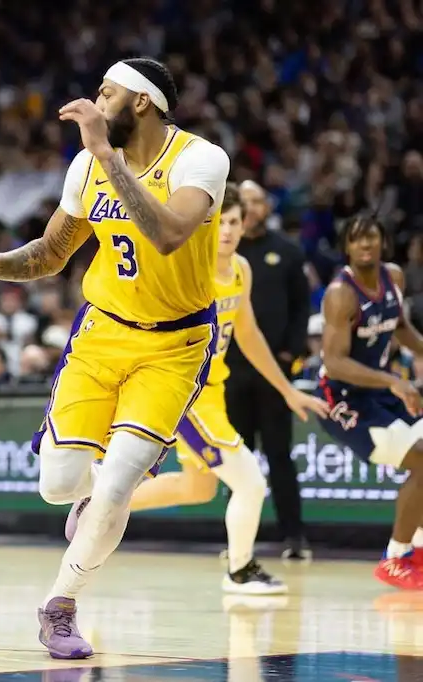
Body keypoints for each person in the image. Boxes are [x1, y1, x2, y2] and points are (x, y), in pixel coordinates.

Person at [0, 57, 230, 659]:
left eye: (106, 93)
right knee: (57, 486)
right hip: (101, 333)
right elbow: (49, 255)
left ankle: (59, 605)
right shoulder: (87, 166)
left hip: (175, 344)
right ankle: (90, 497)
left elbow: (170, 234)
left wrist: (106, 156)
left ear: (141, 103)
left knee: (120, 482)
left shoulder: (201, 159)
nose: (94, 102)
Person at [64, 184, 330, 594]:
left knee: (198, 487)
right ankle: (240, 571)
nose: (226, 230)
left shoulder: (241, 268)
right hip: (184, 390)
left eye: (235, 222)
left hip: (214, 393)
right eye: (220, 221)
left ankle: (101, 499)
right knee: (251, 483)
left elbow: (249, 334)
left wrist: (287, 389)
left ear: (246, 226)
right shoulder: (192, 265)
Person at [315, 212, 423, 590]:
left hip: (380, 390)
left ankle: (419, 549)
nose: (365, 244)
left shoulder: (393, 278)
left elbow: (401, 328)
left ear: (382, 242)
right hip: (343, 399)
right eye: (357, 239)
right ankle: (395, 557)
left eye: (371, 237)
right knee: (421, 459)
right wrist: (394, 381)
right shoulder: (340, 294)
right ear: (347, 246)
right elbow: (334, 362)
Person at [227, 181, 312, 560]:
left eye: (257, 201)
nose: (251, 208)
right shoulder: (223, 252)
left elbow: (301, 309)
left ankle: (294, 536)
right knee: (235, 458)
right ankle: (238, 543)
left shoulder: (288, 252)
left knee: (279, 455)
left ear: (267, 207)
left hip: (273, 370)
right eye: (244, 202)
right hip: (228, 372)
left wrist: (290, 354)